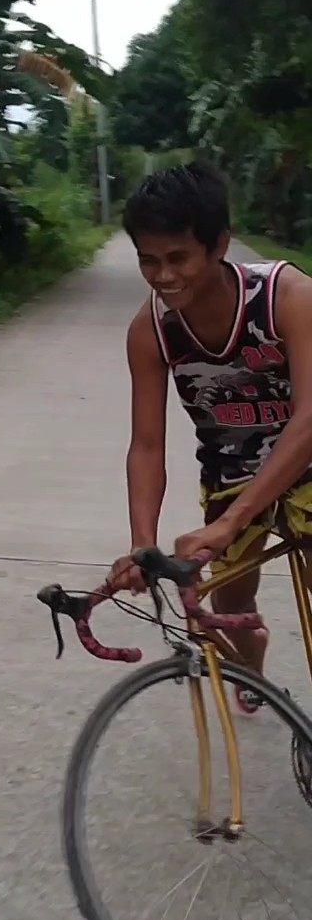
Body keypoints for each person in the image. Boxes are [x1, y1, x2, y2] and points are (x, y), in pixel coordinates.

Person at [108, 162, 312, 712]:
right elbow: (146, 446)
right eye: (148, 261)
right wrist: (142, 544)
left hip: (308, 463)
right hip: (231, 471)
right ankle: (253, 663)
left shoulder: (288, 297)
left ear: (219, 244)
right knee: (227, 605)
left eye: (178, 258)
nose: (163, 276)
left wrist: (231, 521)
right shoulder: (150, 331)